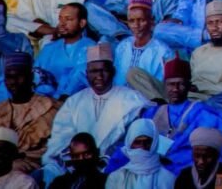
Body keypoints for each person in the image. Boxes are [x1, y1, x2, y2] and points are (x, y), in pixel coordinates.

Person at [44, 44, 147, 183]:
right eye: (93, 71)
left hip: (117, 168)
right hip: (77, 167)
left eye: (104, 70)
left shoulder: (133, 99)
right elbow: (60, 142)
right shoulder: (74, 102)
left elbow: (136, 139)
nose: (99, 76)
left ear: (113, 71)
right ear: (86, 73)